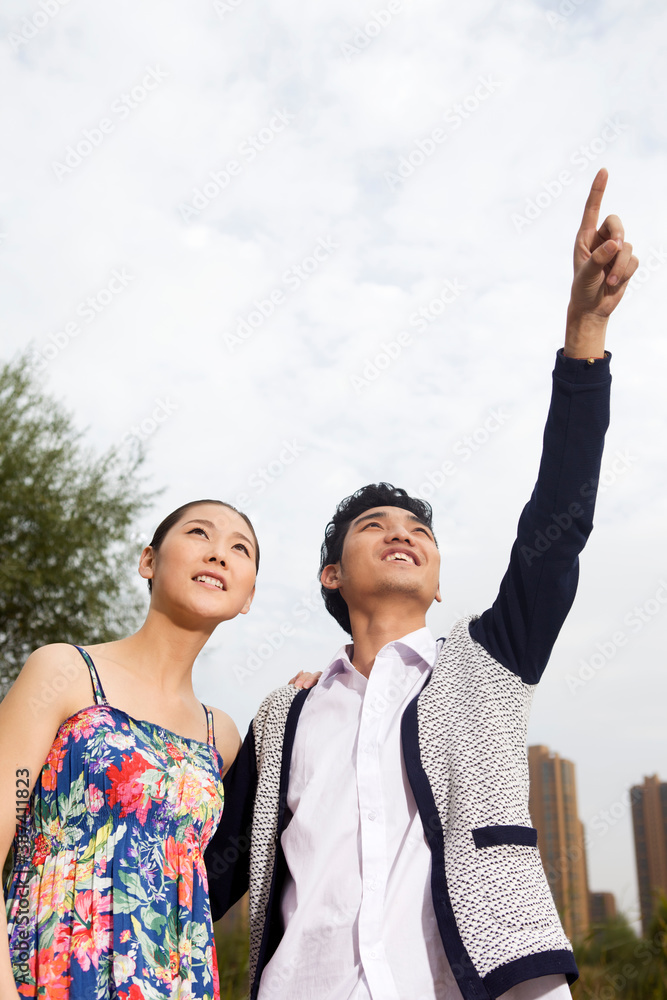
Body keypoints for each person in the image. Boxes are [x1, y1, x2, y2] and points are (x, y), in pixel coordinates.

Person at [205, 168, 638, 1000]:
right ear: (332, 575)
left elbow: (559, 524)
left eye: (418, 530)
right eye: (373, 527)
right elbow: (209, 874)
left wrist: (585, 328)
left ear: (438, 584)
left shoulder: (487, 664)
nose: (401, 533)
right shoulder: (283, 713)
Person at [0, 499, 315, 1000]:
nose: (218, 554)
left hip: (174, 980)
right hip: (50, 969)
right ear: (149, 561)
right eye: (198, 533)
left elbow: (231, 869)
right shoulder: (63, 671)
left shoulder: (223, 737)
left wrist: (313, 702)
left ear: (248, 596)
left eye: (240, 548)